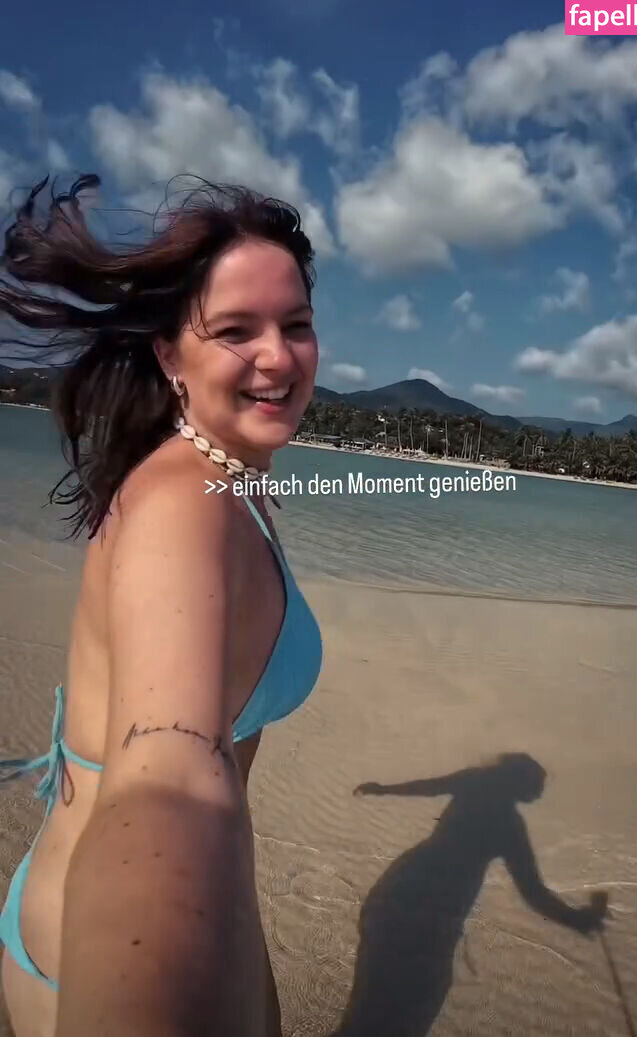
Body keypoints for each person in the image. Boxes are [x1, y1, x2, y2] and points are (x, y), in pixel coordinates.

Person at [0, 173, 323, 1037]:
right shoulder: (183, 504)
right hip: (93, 956)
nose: (278, 356)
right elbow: (168, 772)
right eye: (236, 330)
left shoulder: (232, 481)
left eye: (296, 324)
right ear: (171, 356)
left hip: (205, 898)